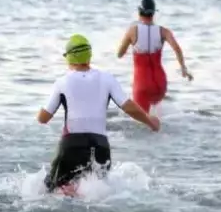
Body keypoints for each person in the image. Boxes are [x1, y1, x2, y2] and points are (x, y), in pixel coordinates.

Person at [38, 36, 160, 193]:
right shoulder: (107, 79)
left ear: (69, 57)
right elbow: (129, 107)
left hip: (71, 146)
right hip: (101, 146)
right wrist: (150, 121)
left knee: (52, 190)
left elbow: (44, 118)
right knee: (95, 194)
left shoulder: (62, 82)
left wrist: (40, 112)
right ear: (89, 55)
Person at [116, 0, 191, 113]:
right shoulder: (163, 31)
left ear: (139, 11)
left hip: (142, 84)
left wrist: (130, 41)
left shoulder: (133, 30)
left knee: (142, 122)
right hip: (160, 83)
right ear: (154, 13)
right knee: (156, 116)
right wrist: (183, 68)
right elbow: (177, 48)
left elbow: (119, 54)